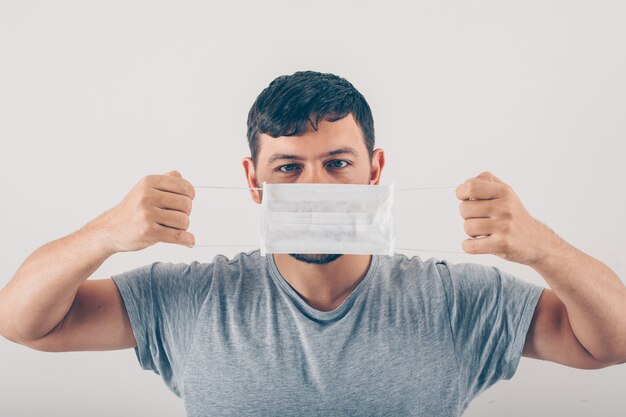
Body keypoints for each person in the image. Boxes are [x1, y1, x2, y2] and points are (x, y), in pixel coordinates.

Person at [0, 71, 624, 417]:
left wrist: (544, 247)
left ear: (375, 170)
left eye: (338, 163)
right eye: (289, 168)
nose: (317, 186)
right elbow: (25, 322)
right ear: (252, 181)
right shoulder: (190, 299)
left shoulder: (455, 299)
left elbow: (610, 344)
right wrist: (106, 233)